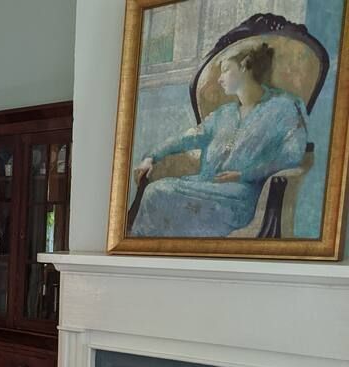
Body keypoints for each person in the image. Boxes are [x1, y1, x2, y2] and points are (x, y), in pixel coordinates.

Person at [130, 42, 308, 237]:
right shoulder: (223, 115)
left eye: (225, 70)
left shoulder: (282, 108)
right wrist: (152, 157)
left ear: (245, 65)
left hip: (240, 196)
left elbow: (292, 155)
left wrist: (243, 174)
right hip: (204, 184)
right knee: (155, 190)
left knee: (160, 194)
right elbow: (185, 139)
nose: (220, 79)